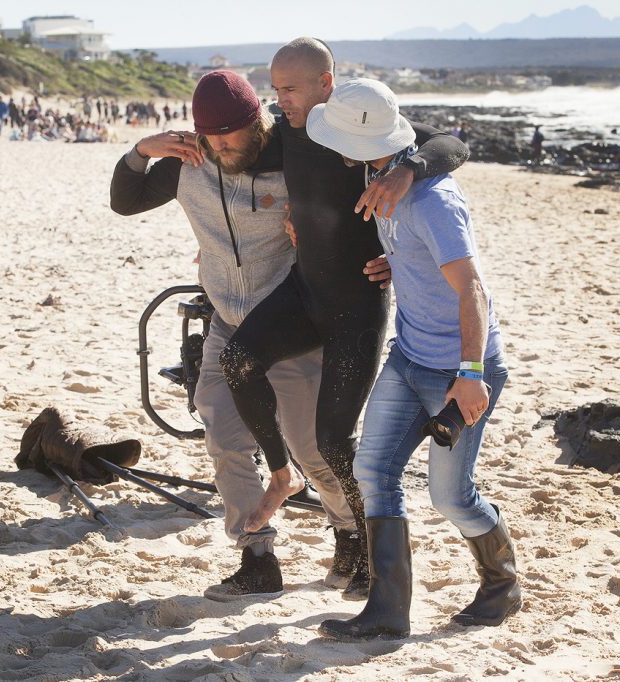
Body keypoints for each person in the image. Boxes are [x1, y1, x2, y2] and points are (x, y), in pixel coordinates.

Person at [111, 71, 384, 601]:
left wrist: (378, 255)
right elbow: (126, 200)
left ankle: (351, 534)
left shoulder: (295, 153)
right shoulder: (188, 164)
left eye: (232, 136)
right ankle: (257, 556)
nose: (221, 147)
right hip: (226, 323)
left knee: (311, 446)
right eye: (211, 137)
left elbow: (355, 203)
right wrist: (141, 150)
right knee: (223, 435)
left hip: (290, 321)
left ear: (257, 120)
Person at [218, 37, 469, 597]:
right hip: (304, 291)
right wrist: (172, 145)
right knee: (238, 360)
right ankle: (281, 475)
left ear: (325, 84)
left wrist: (409, 170)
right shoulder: (287, 131)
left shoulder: (359, 128)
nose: (277, 99)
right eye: (274, 87)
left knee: (334, 441)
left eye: (289, 89)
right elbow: (235, 151)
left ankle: (359, 545)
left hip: (357, 304)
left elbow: (451, 144)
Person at [307, 78, 521, 641]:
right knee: (373, 470)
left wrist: (472, 376)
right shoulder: (382, 178)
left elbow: (472, 288)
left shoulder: (431, 199)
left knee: (451, 496)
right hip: (408, 358)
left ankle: (501, 585)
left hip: (461, 371)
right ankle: (387, 610)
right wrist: (394, 263)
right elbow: (420, 257)